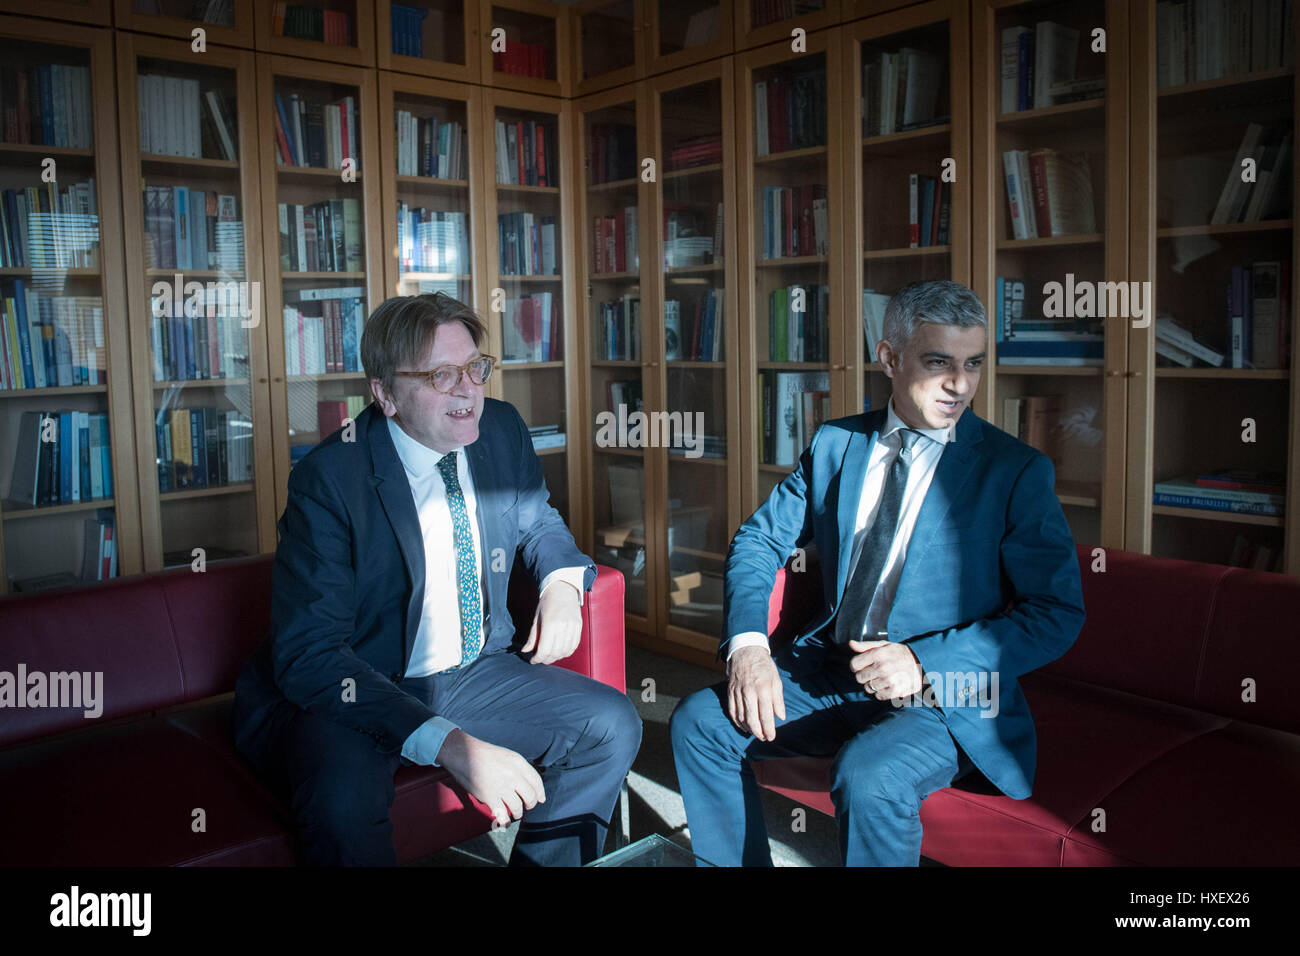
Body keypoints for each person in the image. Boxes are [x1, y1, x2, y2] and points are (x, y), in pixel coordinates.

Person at [670, 279, 1086, 866]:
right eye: (939, 361)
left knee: (870, 774)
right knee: (698, 723)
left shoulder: (1016, 472)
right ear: (889, 357)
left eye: (973, 364)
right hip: (831, 669)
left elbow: (1057, 614)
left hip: (948, 693)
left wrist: (922, 661)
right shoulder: (837, 443)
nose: (960, 384)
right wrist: (747, 648)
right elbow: (761, 539)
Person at [232, 292, 641, 866]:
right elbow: (311, 655)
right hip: (358, 684)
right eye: (440, 375)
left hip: (472, 671)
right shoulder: (330, 480)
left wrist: (563, 584)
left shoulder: (499, 428)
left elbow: (536, 518)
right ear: (385, 394)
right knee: (341, 803)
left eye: (475, 368)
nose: (468, 389)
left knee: (611, 723)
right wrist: (453, 746)